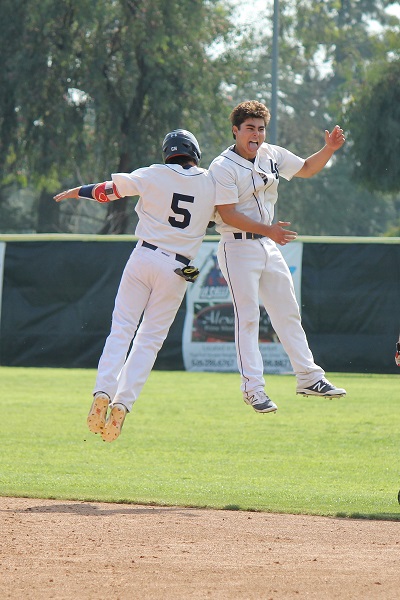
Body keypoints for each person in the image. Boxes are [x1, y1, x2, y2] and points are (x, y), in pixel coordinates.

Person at [54, 130, 219, 442]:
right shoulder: (211, 182)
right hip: (178, 267)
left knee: (122, 329)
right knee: (149, 341)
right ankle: (123, 404)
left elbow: (109, 191)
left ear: (167, 152)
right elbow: (217, 220)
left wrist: (78, 191)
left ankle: (103, 391)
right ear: (195, 152)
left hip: (144, 256)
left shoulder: (154, 173)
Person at [209, 100, 347, 414]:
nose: (256, 134)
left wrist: (328, 149)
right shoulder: (223, 166)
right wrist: (267, 230)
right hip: (237, 246)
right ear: (236, 131)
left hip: (267, 243)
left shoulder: (271, 153)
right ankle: (253, 390)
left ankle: (308, 377)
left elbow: (307, 169)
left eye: (260, 128)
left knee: (287, 311)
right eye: (249, 128)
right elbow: (228, 214)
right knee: (248, 319)